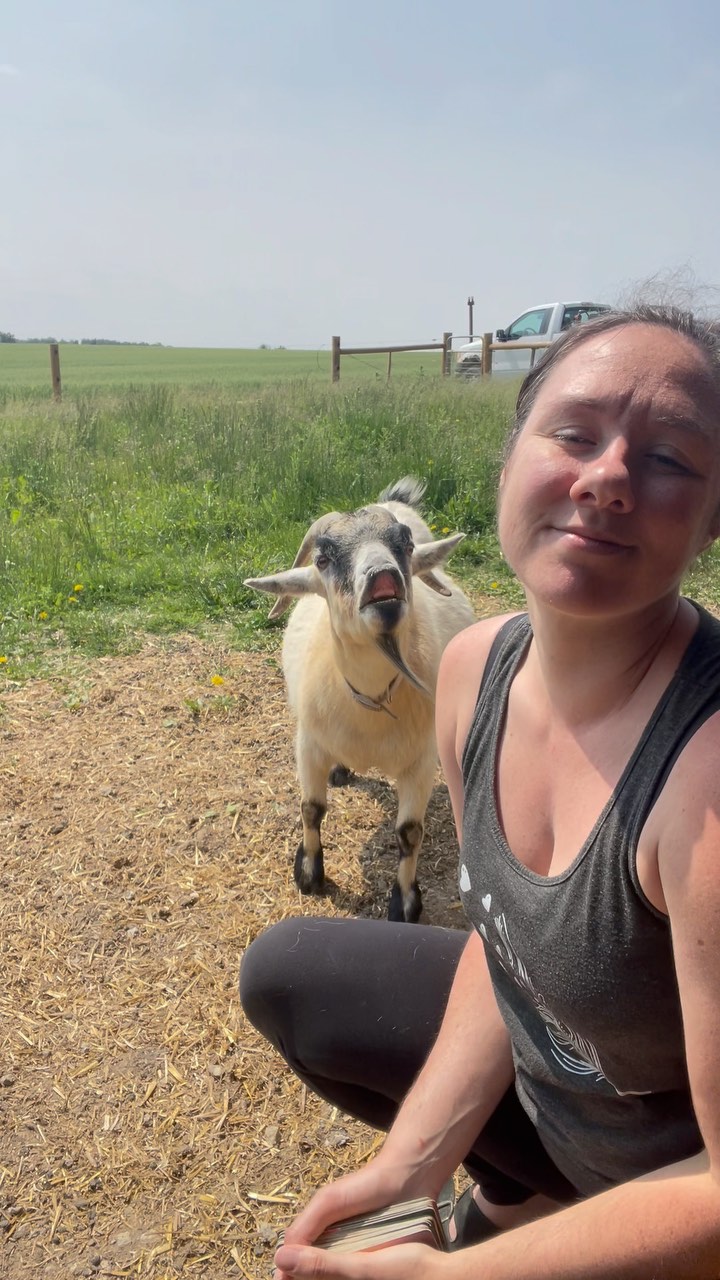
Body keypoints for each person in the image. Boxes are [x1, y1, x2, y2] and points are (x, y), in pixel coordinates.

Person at [240, 304, 720, 1279]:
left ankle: (565, 1222)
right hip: (559, 1110)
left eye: (668, 456)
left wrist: (452, 1275)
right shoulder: (470, 671)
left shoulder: (704, 784)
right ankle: (523, 1182)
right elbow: (502, 946)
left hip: (672, 1188)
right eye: (574, 433)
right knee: (286, 970)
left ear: (713, 517)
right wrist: (414, 1160)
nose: (606, 476)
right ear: (509, 464)